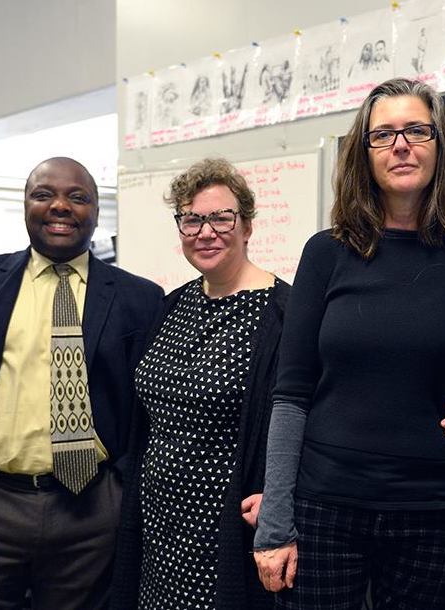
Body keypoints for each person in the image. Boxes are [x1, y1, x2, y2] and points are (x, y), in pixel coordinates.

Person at [252, 77, 445, 609]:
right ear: (365, 154)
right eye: (382, 135)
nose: (400, 144)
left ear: (440, 145)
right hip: (326, 508)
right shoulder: (327, 253)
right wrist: (275, 524)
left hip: (436, 507)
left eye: (416, 130)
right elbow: (291, 394)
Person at [0, 157, 162, 608]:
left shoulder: (138, 298)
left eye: (77, 196)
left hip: (89, 512)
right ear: (26, 206)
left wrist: (119, 491)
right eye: (44, 194)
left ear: (98, 212)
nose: (60, 206)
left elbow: (149, 406)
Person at [111, 158, 289, 610]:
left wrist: (282, 500)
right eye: (191, 219)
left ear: (246, 225)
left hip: (226, 526)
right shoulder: (170, 307)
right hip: (158, 522)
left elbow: (302, 417)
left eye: (221, 217)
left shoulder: (282, 313)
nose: (205, 231)